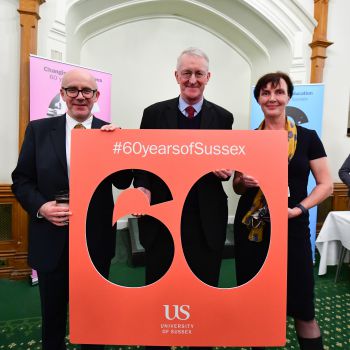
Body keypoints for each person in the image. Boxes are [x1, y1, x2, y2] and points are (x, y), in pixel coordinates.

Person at [12, 69, 132, 350]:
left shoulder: (110, 132)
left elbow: (124, 180)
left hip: (95, 241)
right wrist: (42, 207)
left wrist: (119, 147)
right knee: (52, 319)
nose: (80, 96)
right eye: (73, 90)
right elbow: (22, 180)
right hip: (50, 240)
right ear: (63, 94)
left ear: (96, 96)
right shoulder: (38, 130)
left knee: (94, 316)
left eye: (87, 91)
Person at [133, 47, 233, 348]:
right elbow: (143, 159)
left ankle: (201, 342)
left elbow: (229, 161)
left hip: (206, 219)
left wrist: (227, 170)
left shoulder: (223, 117)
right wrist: (142, 186)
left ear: (208, 77)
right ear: (176, 76)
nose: (192, 79)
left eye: (198, 73)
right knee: (160, 290)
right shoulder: (153, 114)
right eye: (186, 73)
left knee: (204, 290)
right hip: (163, 216)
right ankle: (158, 341)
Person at [232, 72, 333, 350]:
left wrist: (300, 209)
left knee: (303, 309)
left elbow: (326, 185)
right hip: (253, 232)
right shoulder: (249, 139)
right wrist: (243, 181)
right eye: (265, 93)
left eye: (278, 92)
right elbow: (237, 187)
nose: (272, 98)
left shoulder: (308, 138)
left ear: (288, 96)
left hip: (293, 228)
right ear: (259, 100)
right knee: (256, 306)